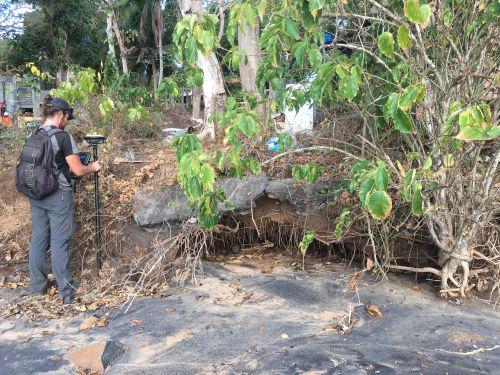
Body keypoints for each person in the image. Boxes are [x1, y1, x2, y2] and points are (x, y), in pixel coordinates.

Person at [28, 96, 100, 304]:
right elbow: (76, 169)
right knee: (59, 241)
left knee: (39, 239)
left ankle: (37, 289)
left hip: (36, 194)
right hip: (58, 195)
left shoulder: (34, 133)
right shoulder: (62, 137)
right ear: (60, 114)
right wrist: (93, 167)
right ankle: (67, 291)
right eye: (67, 116)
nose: (67, 120)